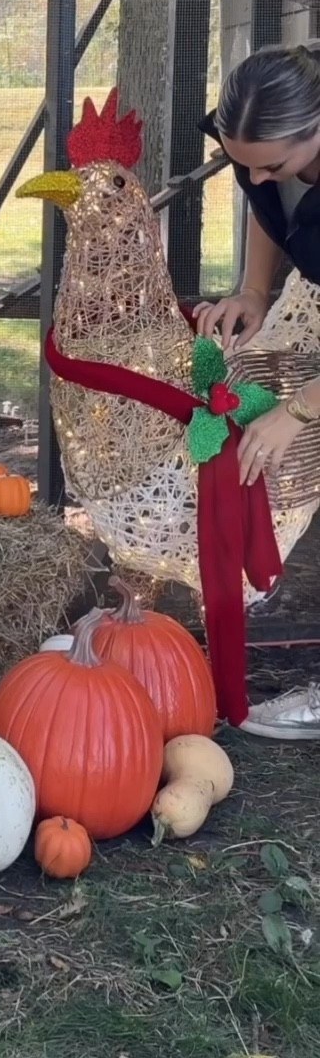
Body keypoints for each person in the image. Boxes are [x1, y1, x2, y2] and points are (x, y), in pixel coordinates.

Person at [194, 41, 320, 740]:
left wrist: (297, 414)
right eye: (245, 163)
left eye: (274, 163)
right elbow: (263, 202)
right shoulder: (260, 161)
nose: (259, 176)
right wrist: (251, 290)